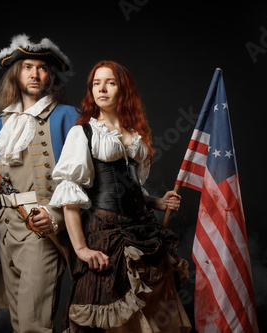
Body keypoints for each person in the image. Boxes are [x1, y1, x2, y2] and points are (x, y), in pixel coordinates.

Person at [50, 60, 192, 332]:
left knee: (153, 316)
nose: (101, 89)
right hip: (107, 236)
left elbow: (135, 187)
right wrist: (81, 249)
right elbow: (70, 198)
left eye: (110, 83)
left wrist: (158, 202)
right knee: (116, 319)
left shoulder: (136, 135)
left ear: (123, 89)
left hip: (145, 233)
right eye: (96, 83)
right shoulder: (83, 133)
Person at [0, 34, 79, 333]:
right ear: (17, 73)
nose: (34, 73)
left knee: (32, 324)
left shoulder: (68, 116)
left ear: (50, 76)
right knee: (19, 321)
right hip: (3, 225)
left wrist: (54, 216)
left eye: (41, 68)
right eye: (27, 66)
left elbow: (86, 177)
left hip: (40, 228)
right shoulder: (6, 120)